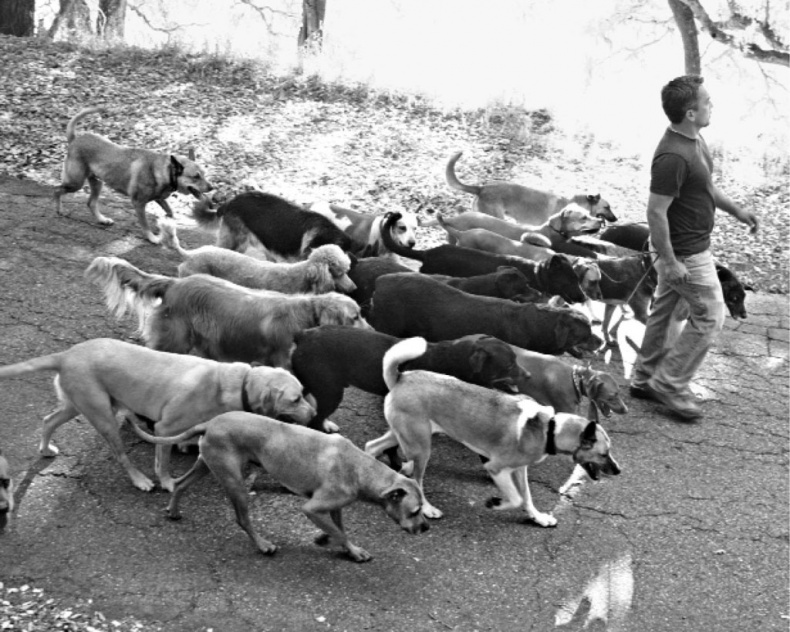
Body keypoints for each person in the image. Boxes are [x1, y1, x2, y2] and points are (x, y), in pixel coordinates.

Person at [630, 75, 758, 421]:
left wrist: (737, 210)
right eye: (707, 101)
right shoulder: (673, 156)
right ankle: (670, 384)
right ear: (690, 112)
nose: (712, 104)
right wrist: (670, 262)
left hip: (686, 249)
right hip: (684, 253)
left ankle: (644, 378)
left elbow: (705, 187)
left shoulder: (693, 140)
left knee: (666, 312)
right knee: (710, 317)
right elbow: (655, 212)